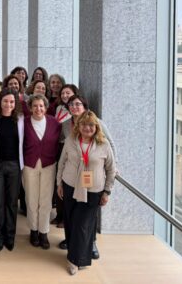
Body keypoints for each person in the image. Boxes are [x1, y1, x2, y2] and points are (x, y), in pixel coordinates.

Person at [57, 110, 116, 275]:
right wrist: (59, 183)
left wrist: (107, 192)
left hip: (93, 190)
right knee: (71, 222)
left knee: (82, 224)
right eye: (83, 124)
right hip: (70, 186)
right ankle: (77, 254)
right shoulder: (71, 140)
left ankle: (74, 260)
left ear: (96, 127)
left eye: (91, 125)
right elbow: (61, 163)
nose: (87, 128)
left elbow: (111, 169)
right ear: (78, 126)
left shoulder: (104, 144)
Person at [22, 94, 60, 250]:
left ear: (46, 107)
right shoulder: (23, 123)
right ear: (30, 108)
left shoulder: (55, 123)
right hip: (29, 164)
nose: (38, 108)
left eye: (41, 106)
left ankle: (44, 232)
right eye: (35, 106)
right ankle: (33, 230)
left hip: (48, 164)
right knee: (31, 199)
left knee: (45, 200)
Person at [0, 89, 23, 252]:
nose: (8, 104)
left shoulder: (21, 120)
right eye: (5, 101)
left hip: (14, 165)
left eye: (12, 102)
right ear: (0, 102)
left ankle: (10, 236)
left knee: (11, 202)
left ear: (15, 103)